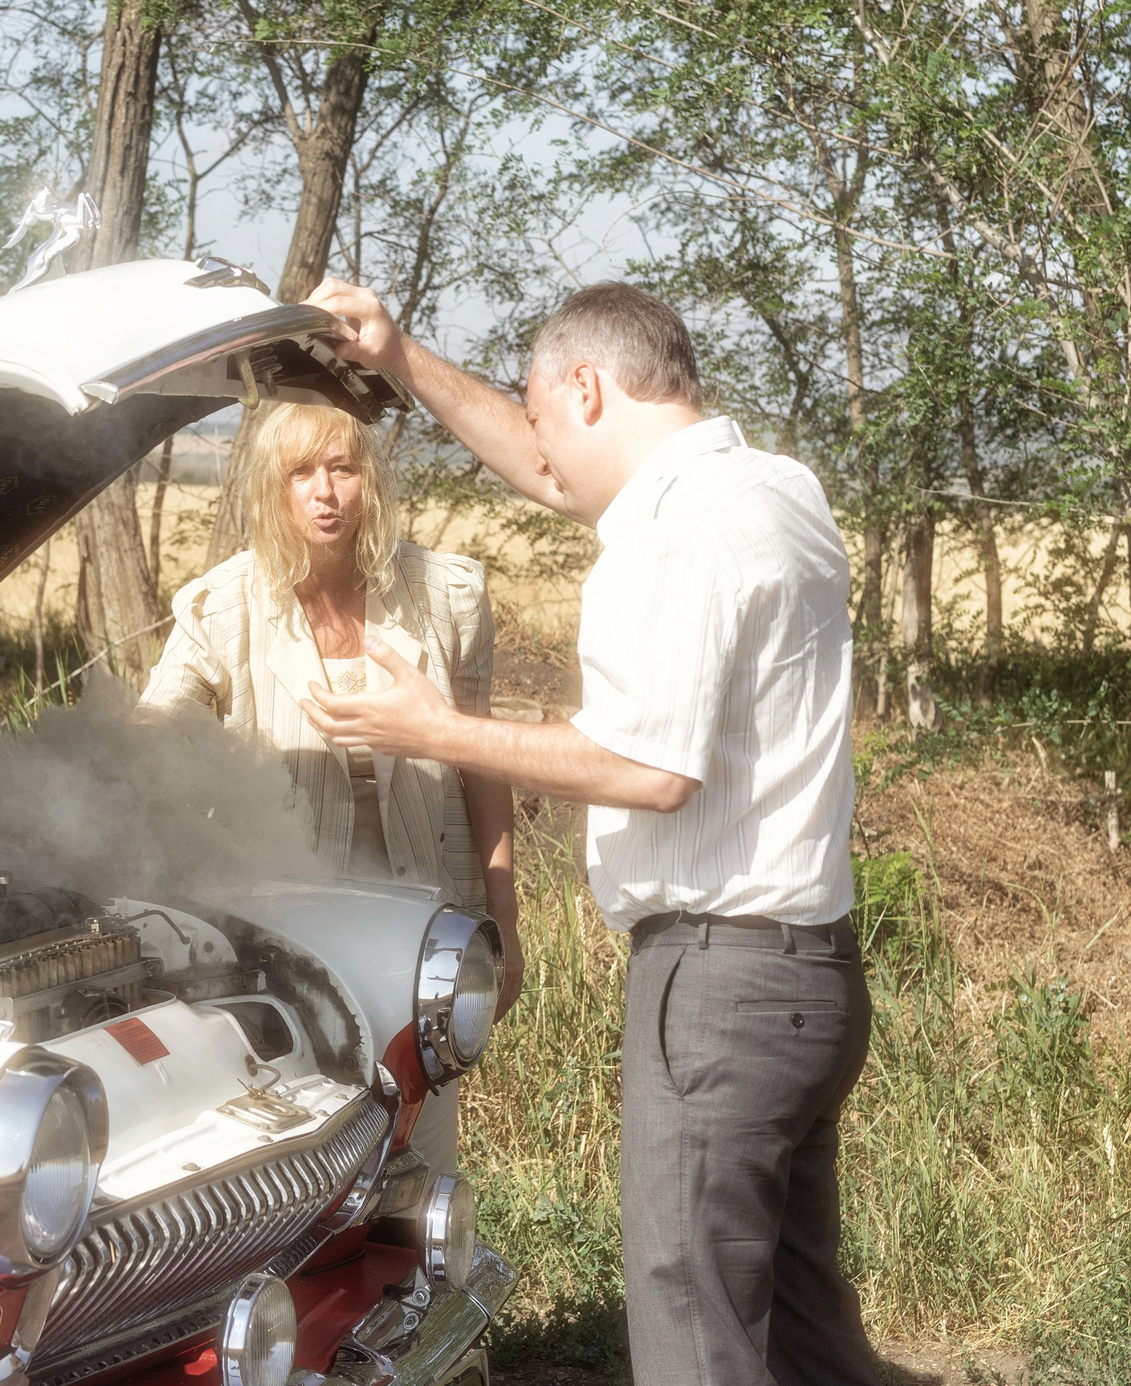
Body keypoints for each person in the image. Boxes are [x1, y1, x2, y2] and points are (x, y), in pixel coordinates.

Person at [300, 278, 873, 1386]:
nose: (539, 447)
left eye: (543, 409)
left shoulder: (673, 541)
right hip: (810, 980)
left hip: (718, 987)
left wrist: (439, 728)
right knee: (799, 1329)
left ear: (587, 386)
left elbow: (648, 768)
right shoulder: (771, 487)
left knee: (694, 1327)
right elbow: (547, 466)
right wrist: (399, 355)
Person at [139, 399, 520, 1180]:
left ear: (369, 479)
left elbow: (484, 761)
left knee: (421, 1167)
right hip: (283, 944)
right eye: (301, 472)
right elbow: (151, 726)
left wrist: (504, 920)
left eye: (343, 468)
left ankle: (428, 1296)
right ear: (271, 490)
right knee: (306, 1172)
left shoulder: (445, 596)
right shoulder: (226, 605)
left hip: (425, 934)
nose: (325, 492)